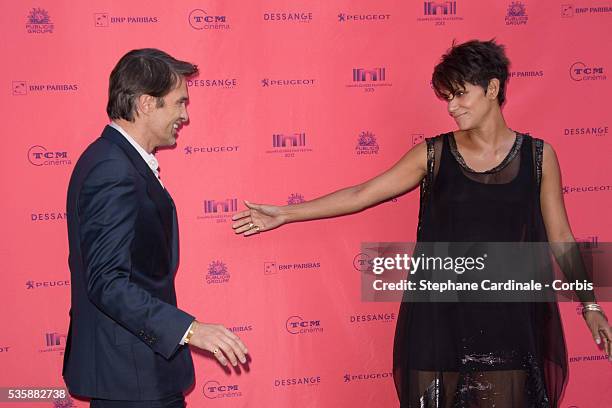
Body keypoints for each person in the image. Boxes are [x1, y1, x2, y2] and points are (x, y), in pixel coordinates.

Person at [232, 40, 611, 407]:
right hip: (439, 316)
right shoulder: (433, 154)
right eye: (447, 97)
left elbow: (561, 238)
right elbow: (363, 193)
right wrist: (284, 213)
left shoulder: (539, 156)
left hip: (509, 317)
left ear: (492, 88)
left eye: (460, 94)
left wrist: (590, 305)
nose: (452, 107)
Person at [63, 48, 248, 408]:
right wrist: (191, 330)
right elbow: (107, 282)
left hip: (136, 372)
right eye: (179, 103)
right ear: (147, 103)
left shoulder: (117, 161)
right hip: (131, 378)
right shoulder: (112, 169)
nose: (185, 115)